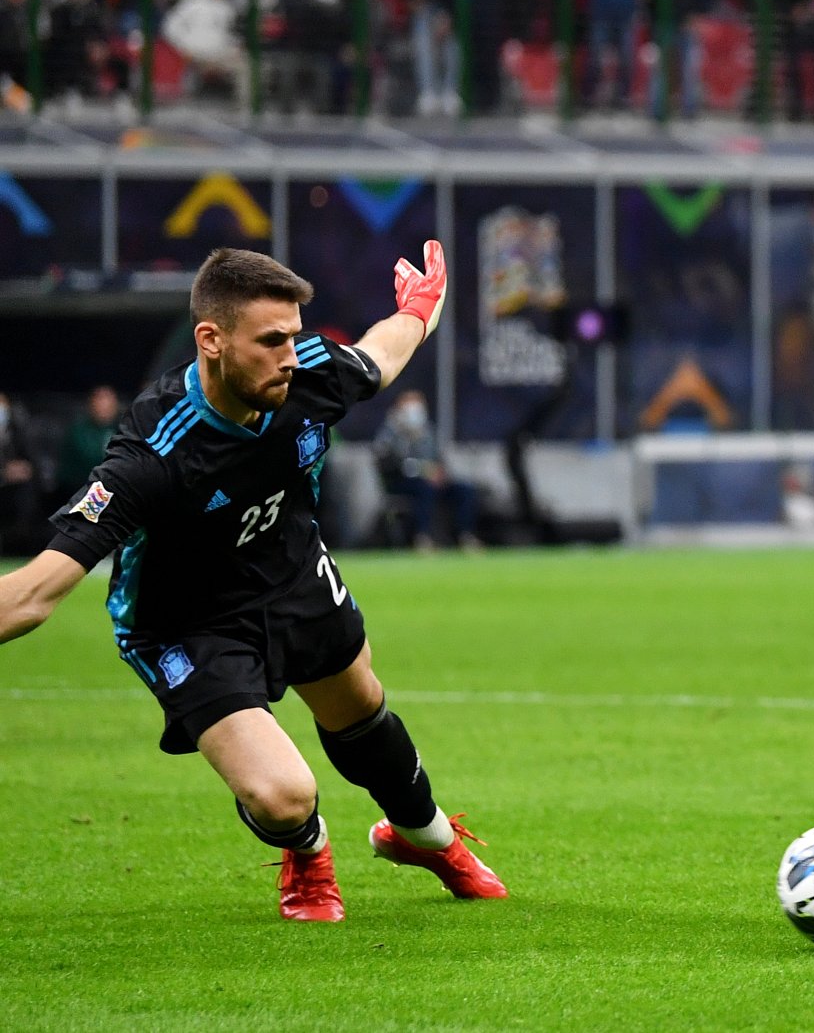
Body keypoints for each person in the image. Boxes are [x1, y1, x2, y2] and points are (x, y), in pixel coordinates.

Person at [0, 242, 508, 922]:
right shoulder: (153, 455)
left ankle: (425, 837)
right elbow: (33, 592)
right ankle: (308, 850)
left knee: (361, 711)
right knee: (284, 795)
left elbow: (381, 354)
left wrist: (419, 308)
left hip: (293, 574)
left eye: (294, 336)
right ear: (211, 340)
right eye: (272, 341)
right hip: (188, 624)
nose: (291, 356)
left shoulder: (305, 377)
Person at [373, 390, 481, 550]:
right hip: (402, 482)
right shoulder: (389, 433)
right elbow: (389, 463)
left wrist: (439, 473)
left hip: (432, 481)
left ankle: (464, 536)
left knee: (464, 489)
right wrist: (422, 470)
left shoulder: (428, 431)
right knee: (424, 489)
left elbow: (439, 460)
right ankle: (422, 537)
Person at [55, 385, 120, 498]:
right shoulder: (79, 430)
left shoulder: (122, 427)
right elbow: (90, 461)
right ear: (91, 404)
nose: (104, 406)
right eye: (99, 400)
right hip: (81, 489)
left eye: (108, 400)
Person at [0, 392, 42, 555]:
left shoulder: (17, 431)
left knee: (28, 490)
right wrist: (4, 472)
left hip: (10, 489)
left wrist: (23, 468)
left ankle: (20, 544)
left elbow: (32, 462)